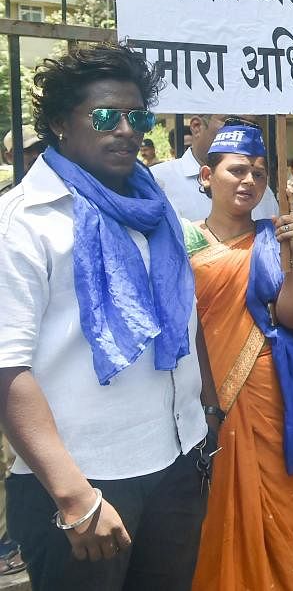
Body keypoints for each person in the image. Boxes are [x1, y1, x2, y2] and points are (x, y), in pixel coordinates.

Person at [0, 43, 212, 590]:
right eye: (104, 116)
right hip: (82, 483)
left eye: (137, 116)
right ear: (57, 124)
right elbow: (7, 368)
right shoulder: (25, 222)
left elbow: (183, 321)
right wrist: (75, 497)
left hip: (174, 460)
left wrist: (207, 423)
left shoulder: (155, 208)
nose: (125, 129)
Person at [185, 124, 293, 589]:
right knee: (215, 515)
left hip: (277, 398)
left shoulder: (281, 240)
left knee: (283, 509)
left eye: (257, 172)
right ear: (207, 177)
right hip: (204, 397)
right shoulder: (181, 243)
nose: (248, 181)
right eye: (237, 170)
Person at [151, 114, 280, 221]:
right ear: (197, 127)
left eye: (251, 126)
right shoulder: (156, 181)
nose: (244, 133)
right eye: (232, 122)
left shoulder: (262, 192)